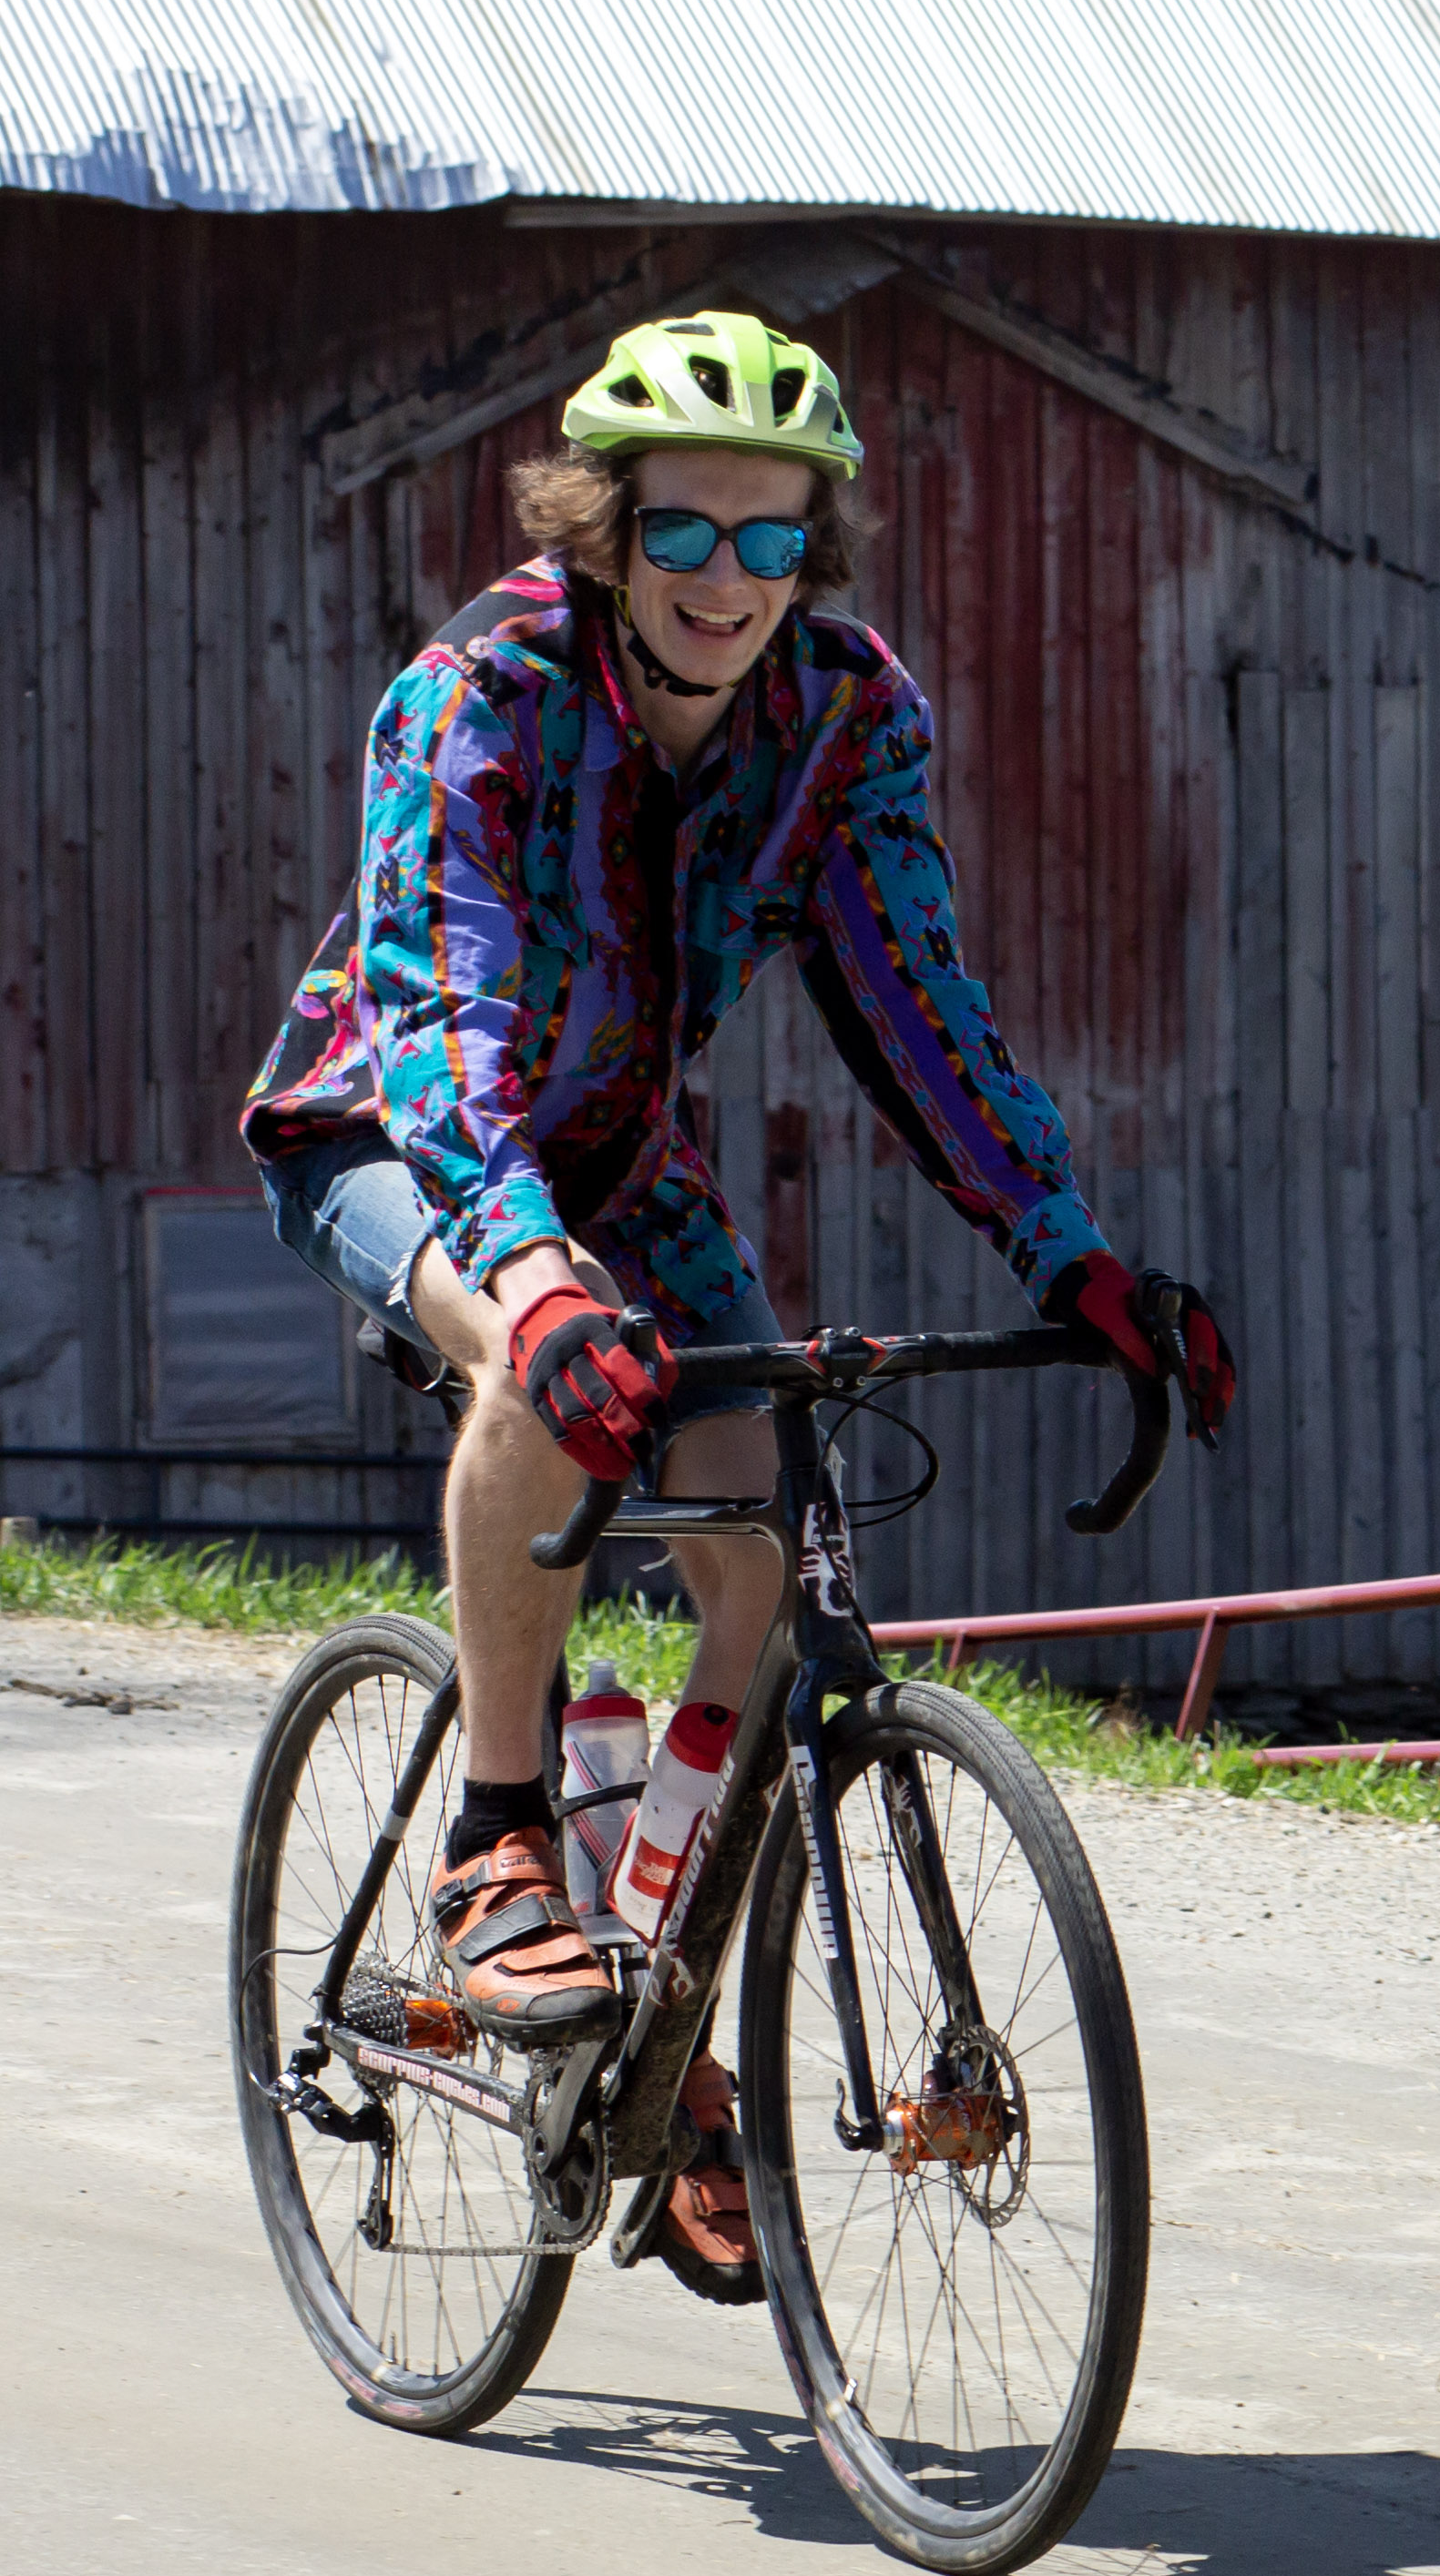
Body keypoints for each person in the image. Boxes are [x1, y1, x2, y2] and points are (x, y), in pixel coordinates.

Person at [241, 309, 1232, 2297]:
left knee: (762, 1556)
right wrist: (526, 1275)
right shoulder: (478, 696)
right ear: (605, 528)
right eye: (685, 534)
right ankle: (500, 1833)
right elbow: (448, 1024)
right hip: (396, 1133)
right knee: (542, 1366)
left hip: (619, 1149)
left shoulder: (845, 720)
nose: (726, 583)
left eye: (774, 545)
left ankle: (674, 2036)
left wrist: (1071, 1251)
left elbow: (917, 1005)